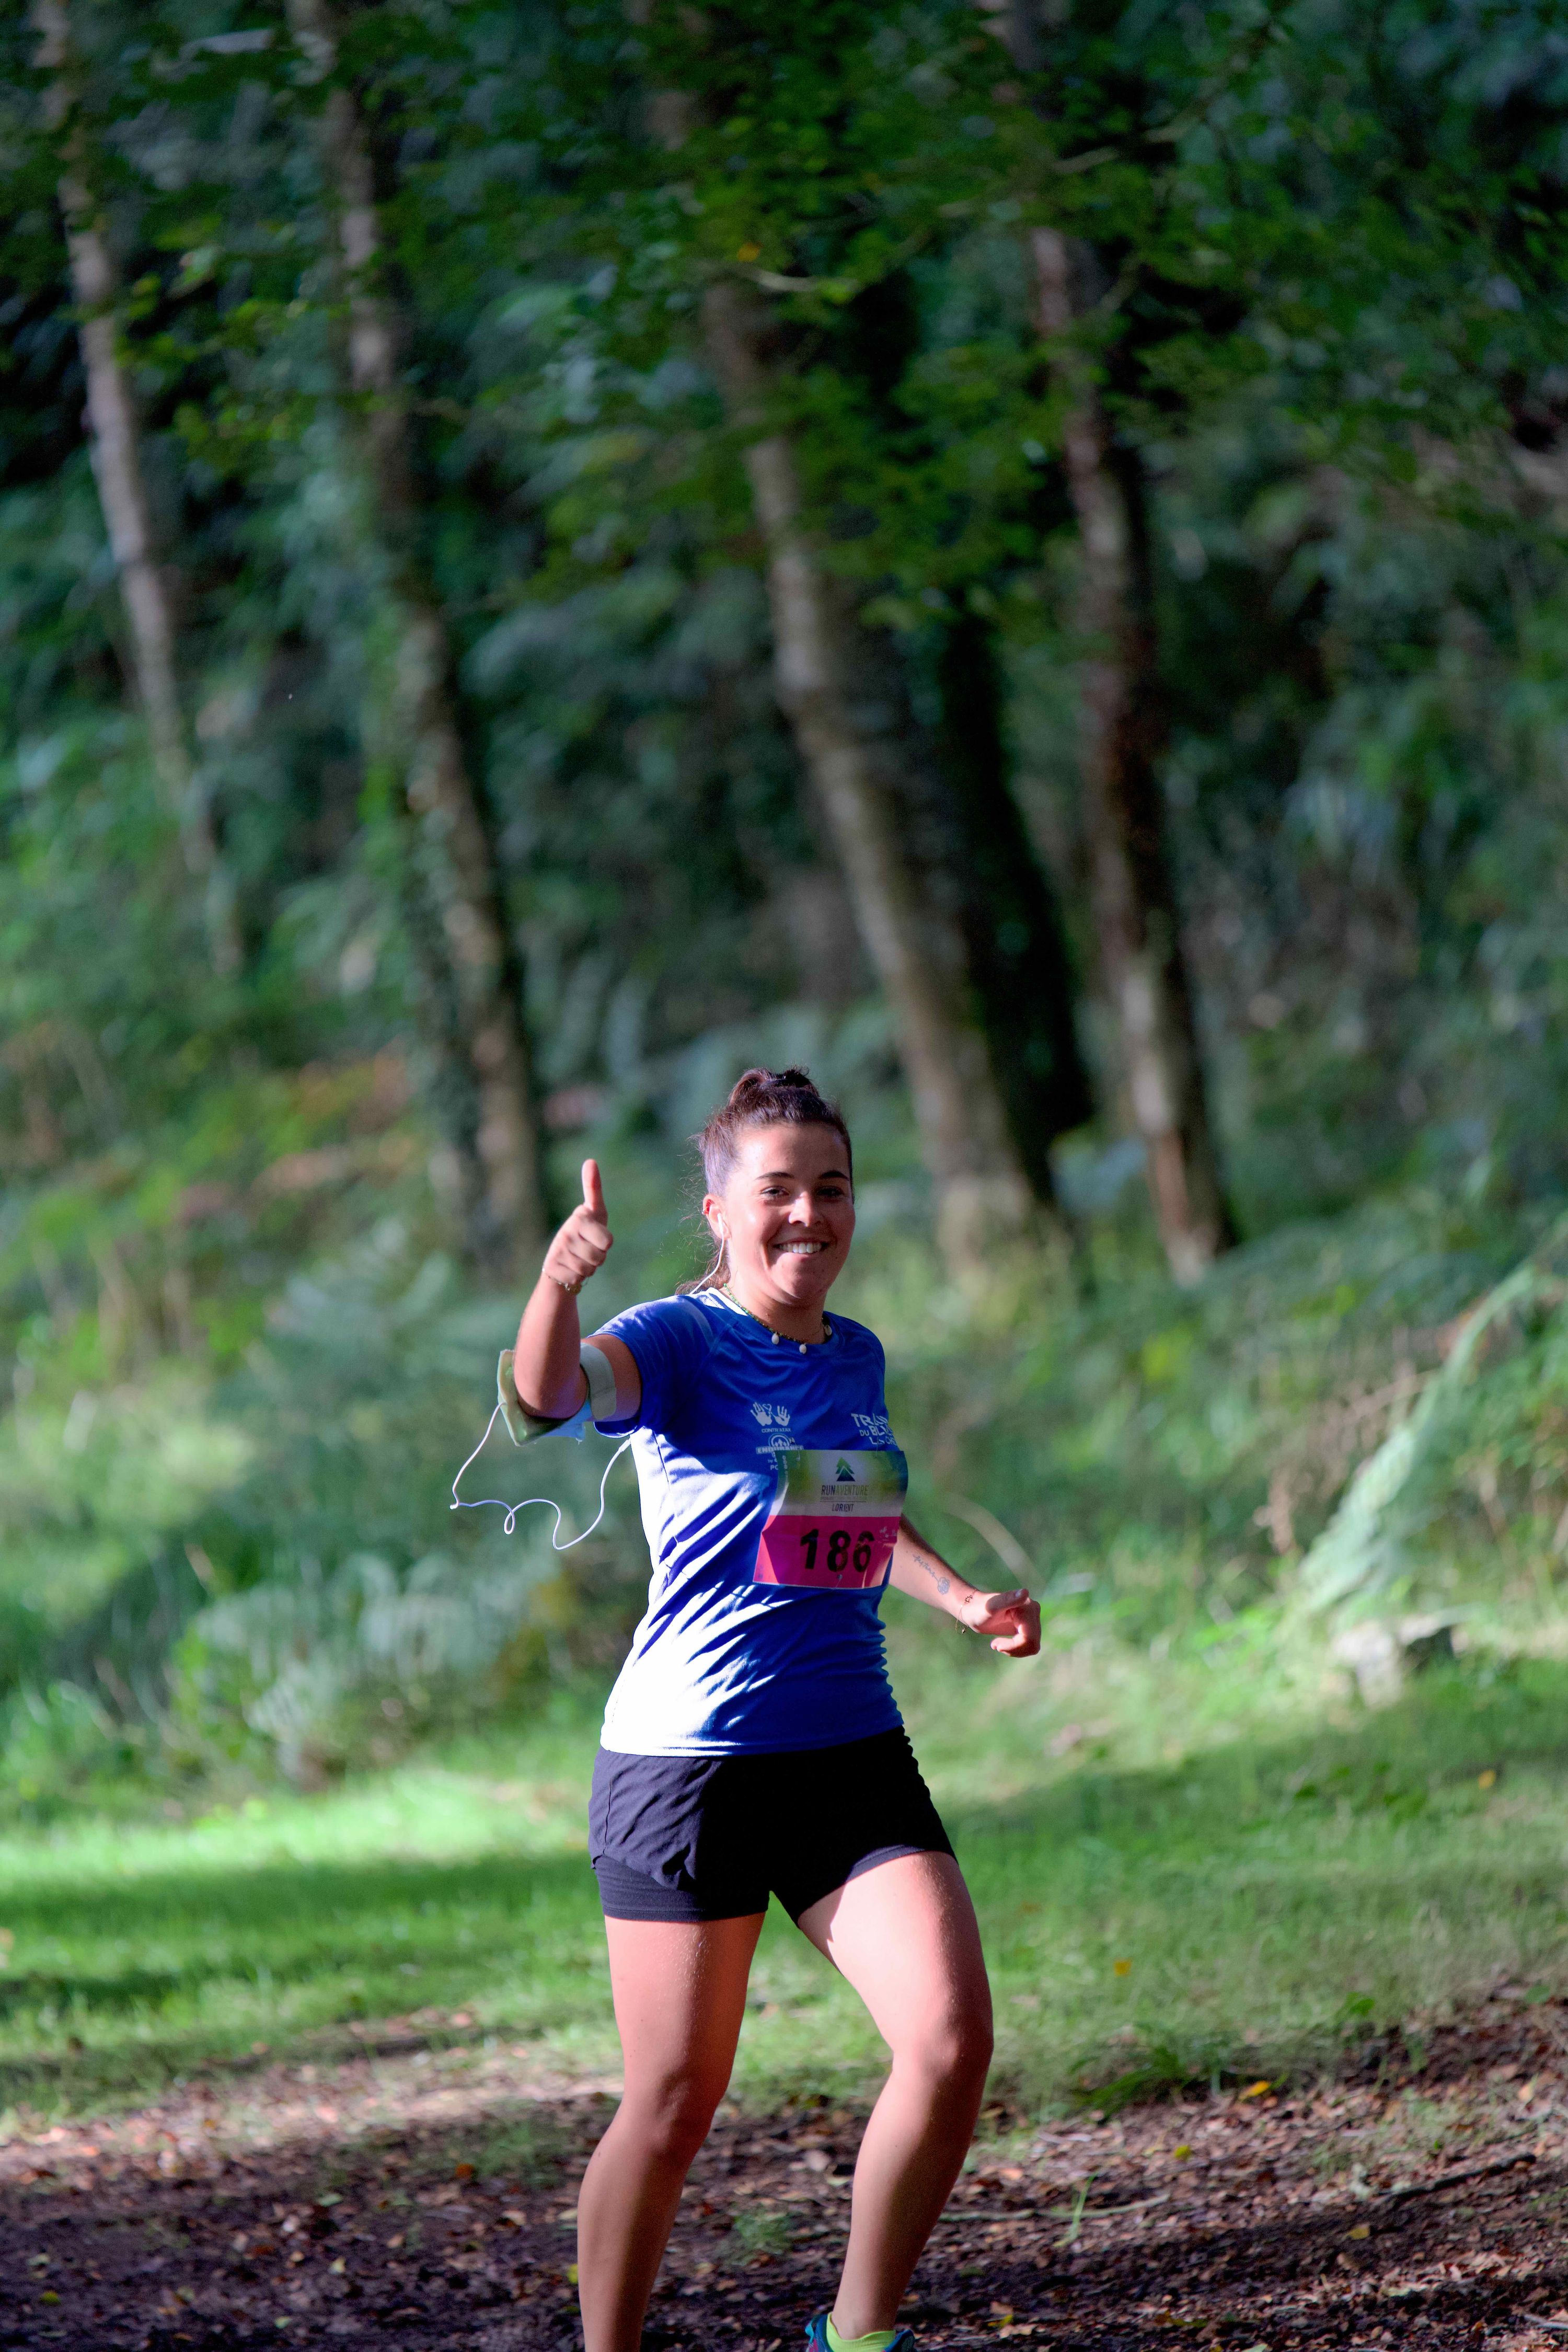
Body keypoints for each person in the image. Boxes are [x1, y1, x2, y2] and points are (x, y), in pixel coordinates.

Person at [504, 1067, 1041, 2352]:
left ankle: (856, 2338)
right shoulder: (677, 1342)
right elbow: (547, 1401)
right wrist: (558, 1286)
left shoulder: (854, 1354)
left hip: (850, 1754)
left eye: (832, 1188)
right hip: (686, 1772)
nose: (809, 1214)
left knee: (949, 2041)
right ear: (721, 1210)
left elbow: (848, 1514)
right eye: (779, 1190)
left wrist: (961, 1599)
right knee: (674, 2104)